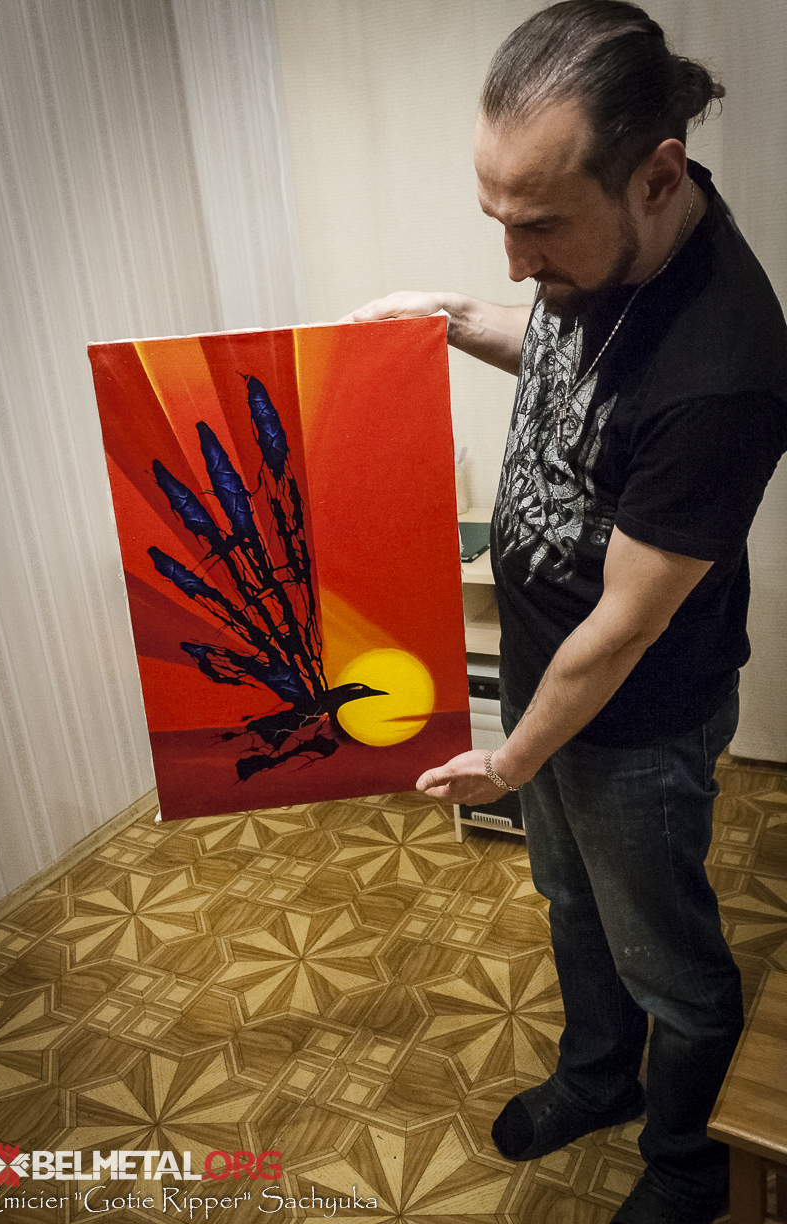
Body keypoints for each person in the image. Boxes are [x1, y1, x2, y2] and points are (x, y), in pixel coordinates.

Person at [342, 3, 787, 1222]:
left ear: (658, 176)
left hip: (634, 720)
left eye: (538, 226)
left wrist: (510, 756)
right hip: (555, 691)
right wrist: (445, 320)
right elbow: (557, 359)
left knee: (670, 964)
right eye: (498, 219)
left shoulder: (722, 371)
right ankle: (598, 1077)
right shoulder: (606, 253)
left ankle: (688, 1166)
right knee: (572, 904)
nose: (514, 261)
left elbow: (627, 626)